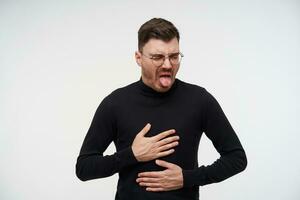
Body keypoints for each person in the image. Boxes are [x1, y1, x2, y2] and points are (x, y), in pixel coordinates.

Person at [76, 18, 247, 200]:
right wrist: (131, 155)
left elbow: (236, 158)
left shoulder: (199, 100)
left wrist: (187, 178)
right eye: (157, 57)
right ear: (138, 58)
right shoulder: (115, 103)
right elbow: (84, 168)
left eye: (174, 56)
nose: (167, 65)